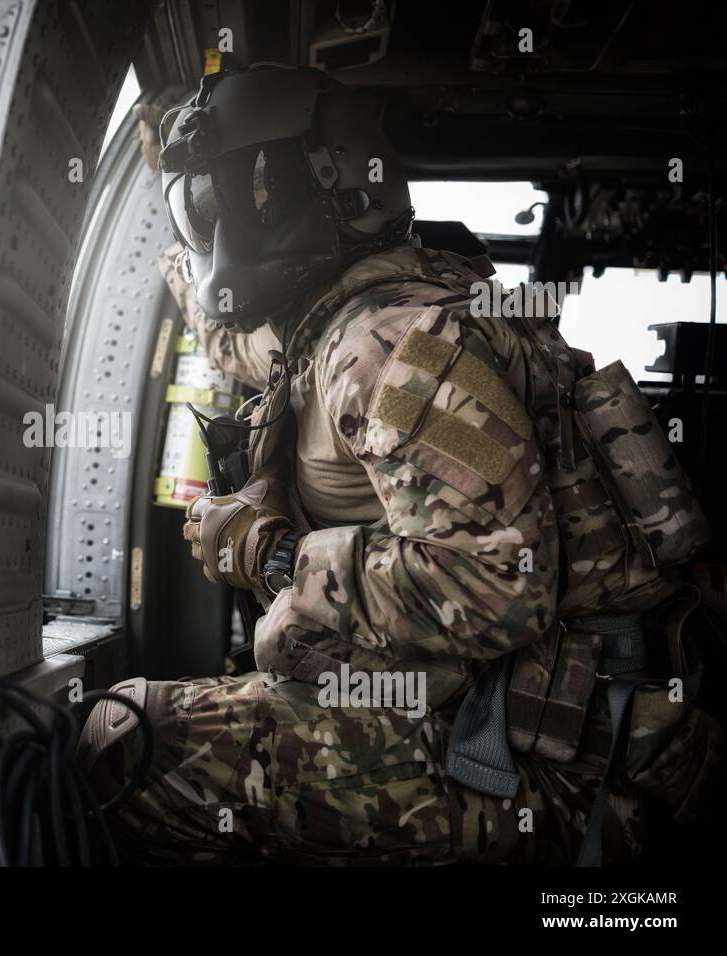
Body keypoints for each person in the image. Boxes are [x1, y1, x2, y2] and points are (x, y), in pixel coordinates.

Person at [79, 65, 721, 865]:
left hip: (562, 770)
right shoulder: (357, 317)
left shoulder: (390, 349)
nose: (222, 227)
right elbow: (235, 340)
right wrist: (185, 252)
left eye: (236, 197)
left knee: (130, 743)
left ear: (317, 182)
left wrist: (273, 553)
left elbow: (499, 585)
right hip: (519, 720)